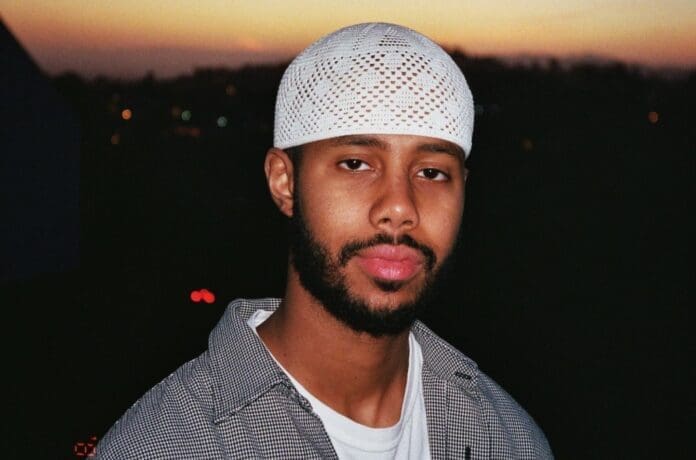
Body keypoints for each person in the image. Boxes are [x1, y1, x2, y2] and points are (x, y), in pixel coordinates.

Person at [96, 22, 552, 459]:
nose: (400, 206)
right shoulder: (169, 446)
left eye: (432, 172)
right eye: (356, 163)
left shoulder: (506, 437)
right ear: (285, 183)